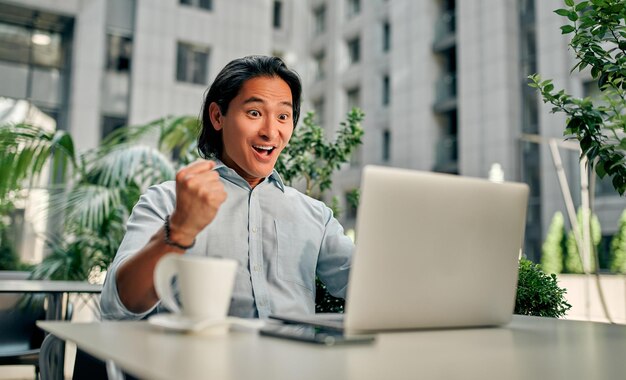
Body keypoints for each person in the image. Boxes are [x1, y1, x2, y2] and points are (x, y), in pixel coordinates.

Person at [100, 55, 354, 320]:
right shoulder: (168, 200)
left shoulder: (315, 216)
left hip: (293, 360)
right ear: (218, 116)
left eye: (283, 116)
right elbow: (117, 305)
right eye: (254, 113)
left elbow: (370, 286)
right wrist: (178, 230)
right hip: (198, 359)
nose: (270, 131)